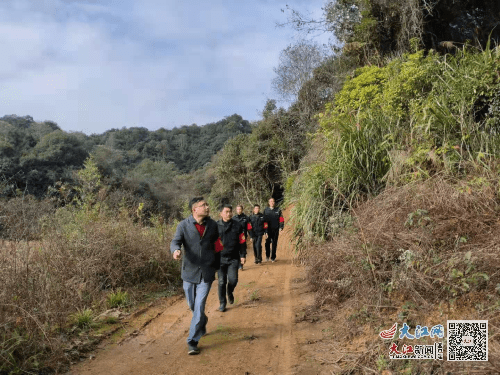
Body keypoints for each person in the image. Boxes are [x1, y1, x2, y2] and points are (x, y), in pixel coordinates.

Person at [170, 197, 222, 355]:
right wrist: (176, 251)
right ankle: (202, 321)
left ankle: (192, 341)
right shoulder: (183, 225)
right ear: (195, 210)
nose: (207, 207)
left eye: (207, 204)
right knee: (192, 305)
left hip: (206, 272)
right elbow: (175, 241)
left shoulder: (213, 225)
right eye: (203, 205)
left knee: (199, 306)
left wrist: (218, 266)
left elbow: (218, 245)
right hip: (189, 272)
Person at [216, 204, 247, 312]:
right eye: (226, 212)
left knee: (233, 280)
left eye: (230, 211)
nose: (229, 214)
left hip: (234, 258)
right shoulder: (216, 226)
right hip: (220, 259)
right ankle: (222, 303)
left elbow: (242, 242)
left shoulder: (237, 225)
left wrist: (243, 255)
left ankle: (229, 291)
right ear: (221, 213)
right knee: (221, 281)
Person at [263, 198, 284, 262]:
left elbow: (281, 219)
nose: (272, 202)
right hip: (268, 230)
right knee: (267, 243)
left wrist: (281, 227)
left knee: (274, 243)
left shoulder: (278, 210)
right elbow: (264, 221)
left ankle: (273, 257)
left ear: (274, 203)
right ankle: (267, 256)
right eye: (271, 201)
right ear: (269, 203)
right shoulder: (266, 210)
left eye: (273, 201)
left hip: (275, 229)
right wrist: (265, 230)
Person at [232, 204, 249, 270]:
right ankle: (239, 264)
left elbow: (249, 227)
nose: (239, 211)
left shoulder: (246, 218)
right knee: (237, 250)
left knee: (243, 248)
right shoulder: (233, 218)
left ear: (242, 210)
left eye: (240, 209)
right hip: (236, 236)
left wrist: (251, 236)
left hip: (243, 236)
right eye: (237, 209)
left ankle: (242, 263)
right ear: (236, 210)